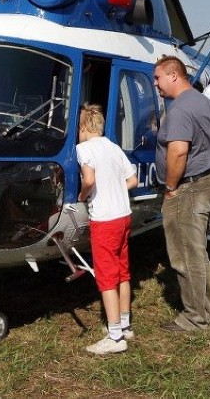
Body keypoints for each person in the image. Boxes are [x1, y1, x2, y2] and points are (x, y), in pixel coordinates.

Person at [153, 55, 210, 332]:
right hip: (208, 180)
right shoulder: (201, 100)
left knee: (184, 253)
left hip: (189, 187)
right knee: (197, 251)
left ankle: (195, 317)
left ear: (173, 75)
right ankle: (205, 309)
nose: (155, 83)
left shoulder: (180, 109)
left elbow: (179, 150)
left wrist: (170, 187)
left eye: (158, 77)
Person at [76, 104, 138, 355]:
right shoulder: (113, 147)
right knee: (122, 272)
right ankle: (125, 324)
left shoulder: (84, 149)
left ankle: (114, 337)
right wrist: (115, 188)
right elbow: (133, 180)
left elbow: (89, 180)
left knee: (106, 277)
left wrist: (83, 195)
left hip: (105, 220)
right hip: (124, 216)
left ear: (83, 128)